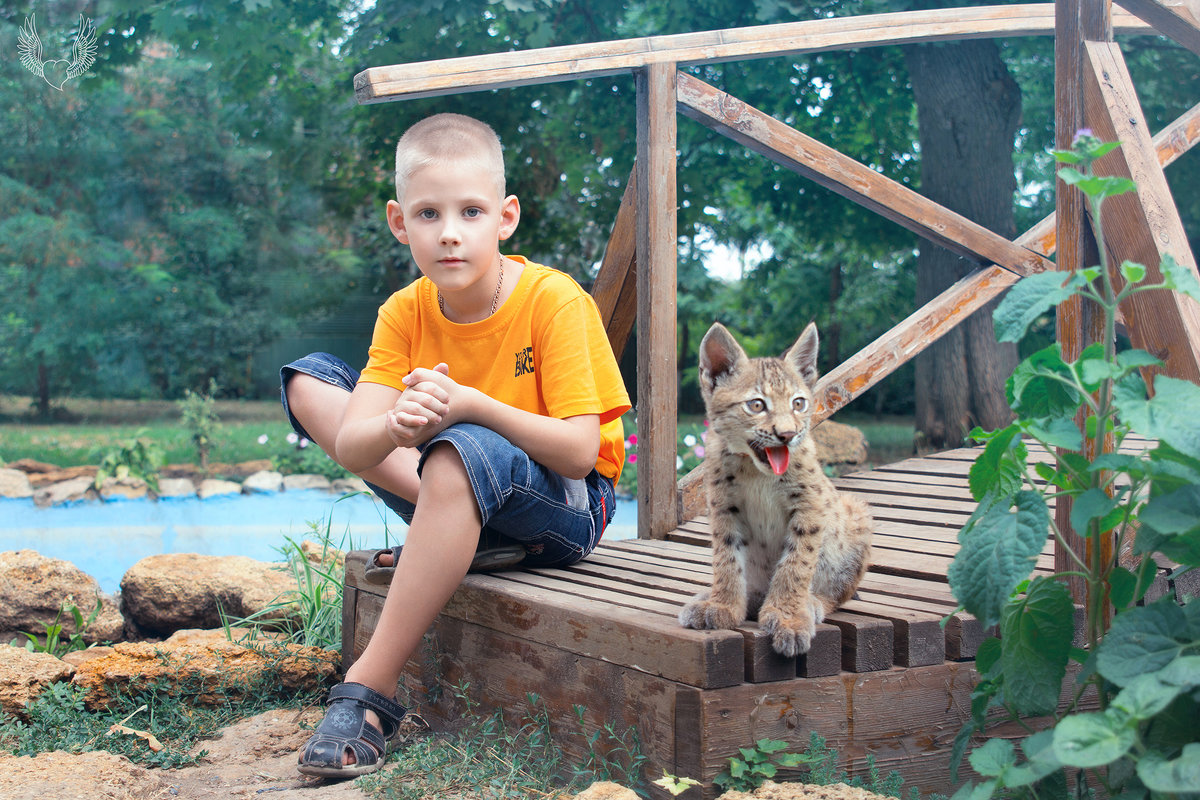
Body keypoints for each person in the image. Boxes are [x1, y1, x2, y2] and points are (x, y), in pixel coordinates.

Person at [280, 113, 631, 778]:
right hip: (458, 476)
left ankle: (369, 694)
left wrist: (472, 407)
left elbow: (581, 454)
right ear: (398, 221)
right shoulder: (405, 311)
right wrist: (395, 425)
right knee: (310, 380)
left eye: (470, 212)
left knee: (465, 443)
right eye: (428, 213)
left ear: (505, 217)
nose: (449, 232)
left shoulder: (553, 301)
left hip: (569, 507)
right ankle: (473, 529)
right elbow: (357, 445)